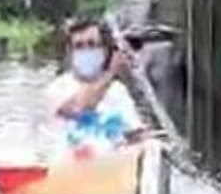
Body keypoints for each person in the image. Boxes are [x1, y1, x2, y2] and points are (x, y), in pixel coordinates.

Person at [45, 18, 147, 164]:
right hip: (69, 174)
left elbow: (136, 136)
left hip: (112, 173)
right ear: (70, 52)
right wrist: (111, 71)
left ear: (105, 51)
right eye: (79, 46)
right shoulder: (57, 88)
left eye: (92, 45)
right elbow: (76, 109)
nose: (86, 51)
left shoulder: (118, 91)